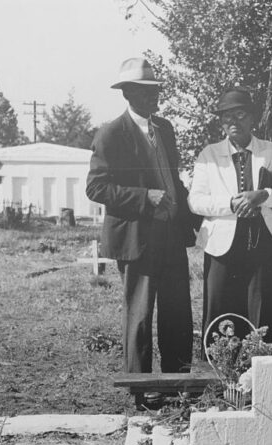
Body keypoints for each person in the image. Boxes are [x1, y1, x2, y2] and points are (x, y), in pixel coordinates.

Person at [86, 58, 199, 393]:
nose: (155, 97)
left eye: (157, 90)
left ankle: (177, 384)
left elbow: (174, 182)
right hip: (137, 239)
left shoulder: (165, 128)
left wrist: (197, 216)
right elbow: (96, 188)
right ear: (128, 94)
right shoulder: (110, 134)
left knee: (178, 313)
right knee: (139, 317)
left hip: (172, 237)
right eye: (147, 91)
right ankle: (142, 389)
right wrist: (144, 196)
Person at [188, 88, 272, 352]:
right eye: (226, 117)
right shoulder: (209, 155)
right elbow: (195, 201)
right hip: (223, 248)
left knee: (266, 310)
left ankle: (266, 374)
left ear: (252, 118)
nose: (233, 122)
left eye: (240, 114)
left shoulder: (270, 151)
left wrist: (264, 195)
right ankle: (221, 374)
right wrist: (230, 204)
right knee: (222, 311)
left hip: (265, 245)